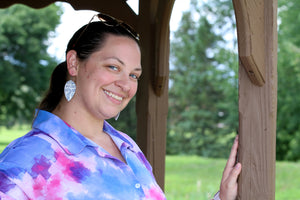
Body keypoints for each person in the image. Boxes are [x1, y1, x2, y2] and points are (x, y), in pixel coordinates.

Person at [0, 13, 241, 200]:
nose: (125, 84)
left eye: (134, 75)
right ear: (74, 64)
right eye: (113, 67)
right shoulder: (24, 162)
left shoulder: (126, 147)